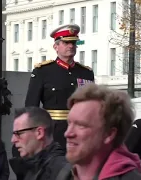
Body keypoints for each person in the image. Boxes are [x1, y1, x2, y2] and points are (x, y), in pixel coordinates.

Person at [23, 24, 95, 152]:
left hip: (80, 131)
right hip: (53, 132)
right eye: (66, 43)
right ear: (56, 46)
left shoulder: (86, 73)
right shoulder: (43, 71)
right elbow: (31, 106)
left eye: (73, 43)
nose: (71, 46)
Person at [56, 83, 141, 180]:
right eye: (69, 123)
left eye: (81, 125)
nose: (68, 133)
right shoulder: (62, 175)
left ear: (109, 134)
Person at [9, 107, 68, 180]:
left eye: (18, 133)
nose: (13, 140)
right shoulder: (28, 167)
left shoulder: (63, 172)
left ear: (39, 133)